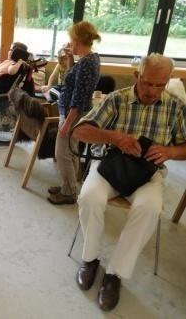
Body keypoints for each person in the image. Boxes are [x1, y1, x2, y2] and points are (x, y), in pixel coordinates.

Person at [72, 53, 186, 311]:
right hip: (111, 167)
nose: (153, 90)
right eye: (148, 83)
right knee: (90, 197)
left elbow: (184, 146)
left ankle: (114, 275)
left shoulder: (176, 106)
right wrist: (114, 137)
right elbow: (79, 131)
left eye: (161, 85)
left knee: (150, 208)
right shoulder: (117, 99)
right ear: (137, 76)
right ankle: (90, 259)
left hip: (148, 173)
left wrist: (170, 152)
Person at [47, 21, 101, 205]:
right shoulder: (89, 59)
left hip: (74, 114)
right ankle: (69, 186)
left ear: (77, 40)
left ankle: (69, 192)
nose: (70, 44)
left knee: (62, 153)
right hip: (72, 112)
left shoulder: (87, 64)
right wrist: (71, 59)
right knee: (71, 152)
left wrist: (67, 124)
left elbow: (79, 98)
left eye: (71, 40)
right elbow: (72, 80)